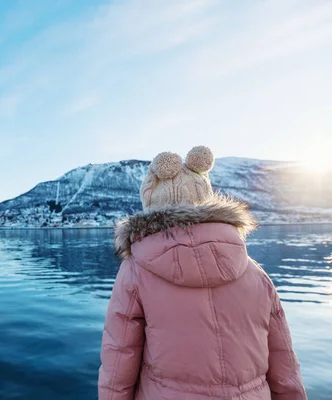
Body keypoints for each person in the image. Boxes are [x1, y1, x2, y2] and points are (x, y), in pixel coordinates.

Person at [98, 146, 307, 400]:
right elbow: (284, 364)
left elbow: (119, 357)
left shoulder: (135, 271)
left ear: (151, 203)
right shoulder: (255, 273)